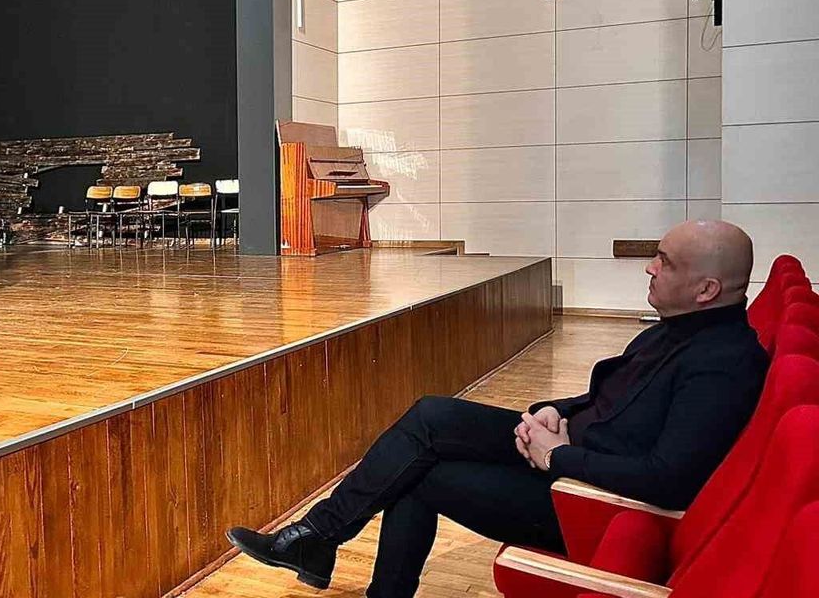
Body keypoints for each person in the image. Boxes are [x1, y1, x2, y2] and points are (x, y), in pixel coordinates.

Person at [227, 220, 767, 596]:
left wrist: (557, 457)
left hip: (589, 499)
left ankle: (318, 544)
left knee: (419, 475)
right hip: (571, 451)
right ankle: (317, 536)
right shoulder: (681, 329)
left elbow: (667, 480)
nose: (649, 268)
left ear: (706, 289)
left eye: (664, 262)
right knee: (431, 416)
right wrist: (555, 410)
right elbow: (608, 398)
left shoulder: (723, 364)